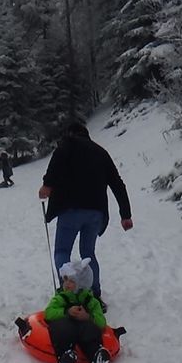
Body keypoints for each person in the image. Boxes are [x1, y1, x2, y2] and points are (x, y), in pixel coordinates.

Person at [38, 122, 133, 312]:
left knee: (62, 252)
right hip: (96, 213)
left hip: (71, 210)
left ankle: (68, 294)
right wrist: (126, 215)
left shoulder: (67, 145)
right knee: (88, 254)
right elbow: (117, 183)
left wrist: (47, 185)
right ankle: (95, 296)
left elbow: (56, 164)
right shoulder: (101, 152)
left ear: (70, 134)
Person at [44, 258, 110, 363]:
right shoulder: (61, 298)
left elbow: (101, 322)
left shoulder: (91, 301)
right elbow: (48, 313)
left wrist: (88, 317)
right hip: (67, 328)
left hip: (82, 330)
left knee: (91, 330)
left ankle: (96, 357)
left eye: (71, 281)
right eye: (65, 280)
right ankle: (65, 358)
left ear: (81, 284)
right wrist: (66, 312)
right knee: (61, 328)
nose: (67, 284)